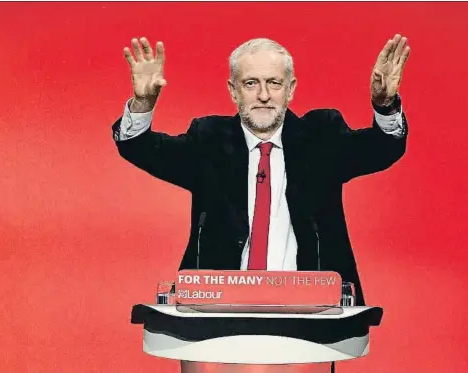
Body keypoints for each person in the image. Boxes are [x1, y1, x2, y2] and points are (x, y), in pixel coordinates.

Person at [112, 35, 410, 309]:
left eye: (275, 83)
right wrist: (142, 104)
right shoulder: (209, 139)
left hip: (312, 310)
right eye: (251, 83)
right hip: (219, 312)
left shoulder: (322, 136)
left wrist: (384, 106)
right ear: (233, 91)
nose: (264, 95)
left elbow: (383, 147)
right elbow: (138, 147)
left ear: (291, 89)